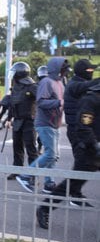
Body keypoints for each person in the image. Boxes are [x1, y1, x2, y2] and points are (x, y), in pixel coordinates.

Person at [37, 80, 100, 229]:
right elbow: (84, 127)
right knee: (71, 185)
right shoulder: (91, 100)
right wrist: (95, 146)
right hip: (90, 152)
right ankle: (45, 208)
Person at [16, 57, 70, 193]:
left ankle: (49, 183)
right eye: (63, 69)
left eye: (65, 70)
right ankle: (26, 176)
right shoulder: (47, 82)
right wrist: (59, 103)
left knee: (54, 155)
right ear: (56, 69)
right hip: (45, 123)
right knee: (51, 154)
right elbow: (41, 102)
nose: (64, 72)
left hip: (55, 123)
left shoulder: (60, 83)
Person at [4, 62, 38, 181]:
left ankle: (32, 175)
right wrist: (8, 119)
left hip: (30, 121)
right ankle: (17, 171)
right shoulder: (16, 86)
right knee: (17, 147)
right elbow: (12, 104)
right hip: (17, 121)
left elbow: (41, 100)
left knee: (31, 149)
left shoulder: (32, 86)